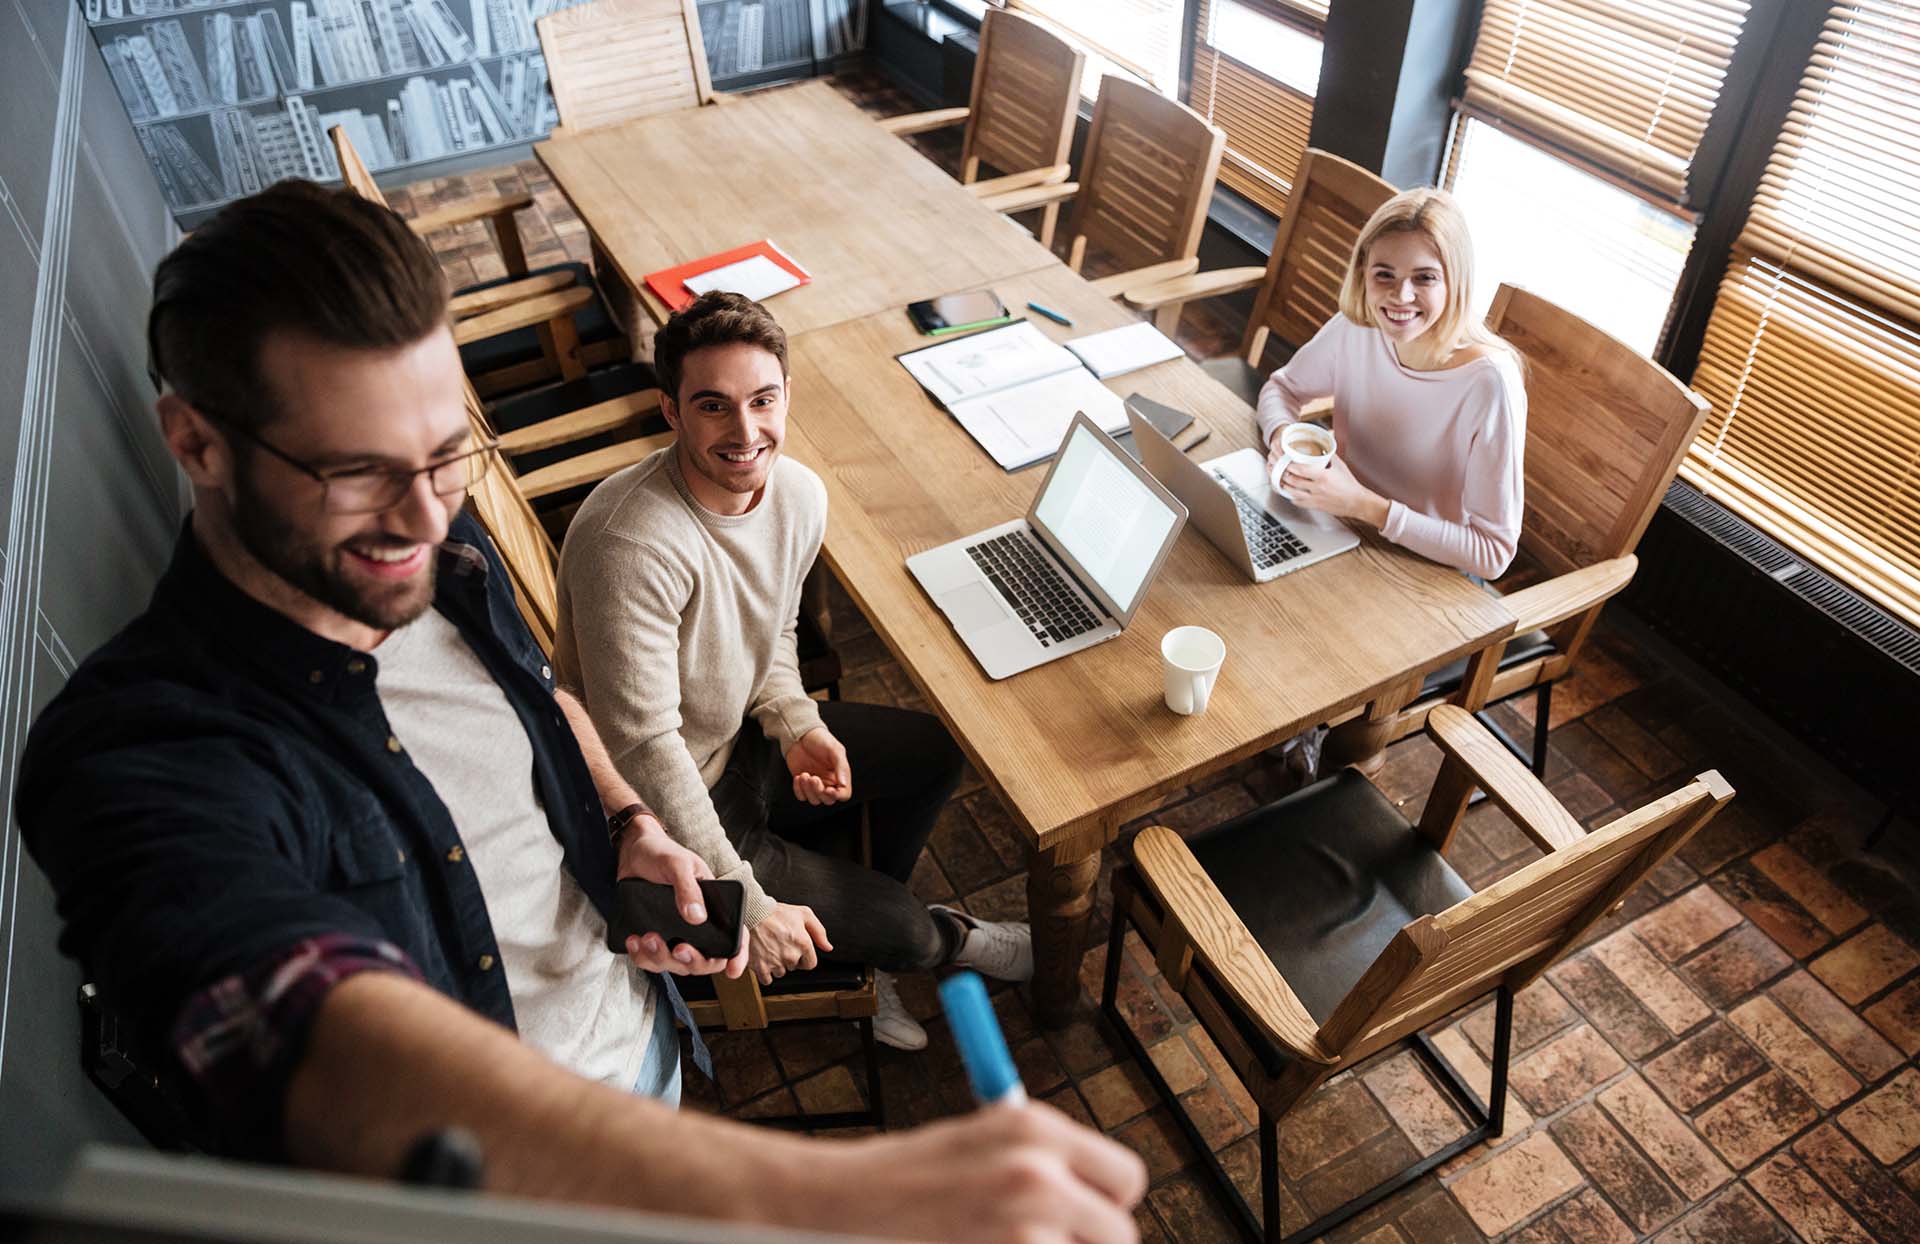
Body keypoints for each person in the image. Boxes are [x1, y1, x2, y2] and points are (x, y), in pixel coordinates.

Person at [16, 181, 1145, 1244]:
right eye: (357, 472)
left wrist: (624, 817)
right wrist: (835, 1192)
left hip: (650, 1041)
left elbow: (543, 695)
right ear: (196, 442)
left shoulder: (445, 555)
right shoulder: (139, 751)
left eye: (445, 455)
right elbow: (309, 1036)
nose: (426, 518)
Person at [554, 291, 1030, 1053]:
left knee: (937, 753)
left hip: (742, 738)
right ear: (671, 411)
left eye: (762, 401)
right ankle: (933, 935)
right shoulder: (630, 543)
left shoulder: (800, 493)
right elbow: (642, 746)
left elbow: (773, 628)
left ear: (785, 397)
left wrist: (796, 721)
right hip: (670, 800)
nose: (745, 433)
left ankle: (861, 924)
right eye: (713, 406)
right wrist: (746, 902)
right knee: (910, 935)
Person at [1259, 187, 1526, 582]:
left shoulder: (1490, 383)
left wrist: (1365, 506)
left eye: (1425, 278)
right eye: (1384, 274)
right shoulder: (1359, 327)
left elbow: (1493, 554)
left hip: (1420, 570)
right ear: (1363, 273)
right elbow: (1282, 389)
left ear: (1456, 282)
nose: (1401, 296)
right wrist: (1281, 433)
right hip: (1336, 526)